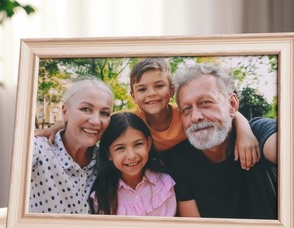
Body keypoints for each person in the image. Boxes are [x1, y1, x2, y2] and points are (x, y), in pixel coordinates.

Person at [37, 58, 260, 170]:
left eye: (159, 86)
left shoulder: (186, 116)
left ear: (171, 90)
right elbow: (95, 123)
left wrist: (245, 128)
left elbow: (223, 115)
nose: (151, 94)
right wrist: (60, 126)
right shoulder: (130, 121)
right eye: (142, 89)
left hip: (182, 174)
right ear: (133, 95)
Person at [162, 62, 278, 219]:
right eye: (186, 109)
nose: (195, 117)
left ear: (232, 104)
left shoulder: (259, 132)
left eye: (205, 103)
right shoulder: (179, 161)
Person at [29, 76, 114, 214]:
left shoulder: (107, 160)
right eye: (86, 109)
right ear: (65, 111)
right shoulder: (38, 149)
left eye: (104, 113)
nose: (96, 121)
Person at [90, 112, 177, 216]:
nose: (131, 156)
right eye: (120, 148)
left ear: (148, 144)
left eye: (138, 144)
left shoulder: (165, 184)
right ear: (108, 153)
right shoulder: (101, 196)